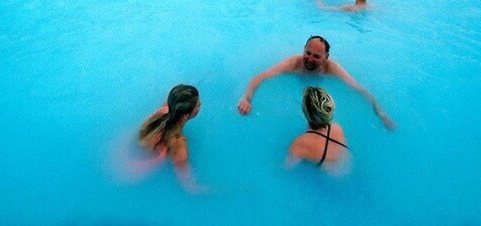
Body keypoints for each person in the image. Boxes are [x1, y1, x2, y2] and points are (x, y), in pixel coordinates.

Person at [236, 36, 396, 130]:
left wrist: (380, 112)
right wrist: (247, 98)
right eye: (308, 53)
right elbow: (261, 77)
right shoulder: (293, 64)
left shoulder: (332, 69)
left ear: (326, 57)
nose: (310, 59)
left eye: (316, 56)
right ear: (303, 50)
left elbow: (358, 89)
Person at [138, 84, 205, 192]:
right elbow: (189, 186)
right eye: (198, 105)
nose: (200, 104)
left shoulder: (163, 111)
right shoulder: (179, 144)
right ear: (186, 116)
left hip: (143, 149)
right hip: (146, 170)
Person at [287, 87, 349, 171]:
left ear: (305, 112)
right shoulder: (337, 128)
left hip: (327, 180)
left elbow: (288, 167)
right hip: (347, 167)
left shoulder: (301, 143)